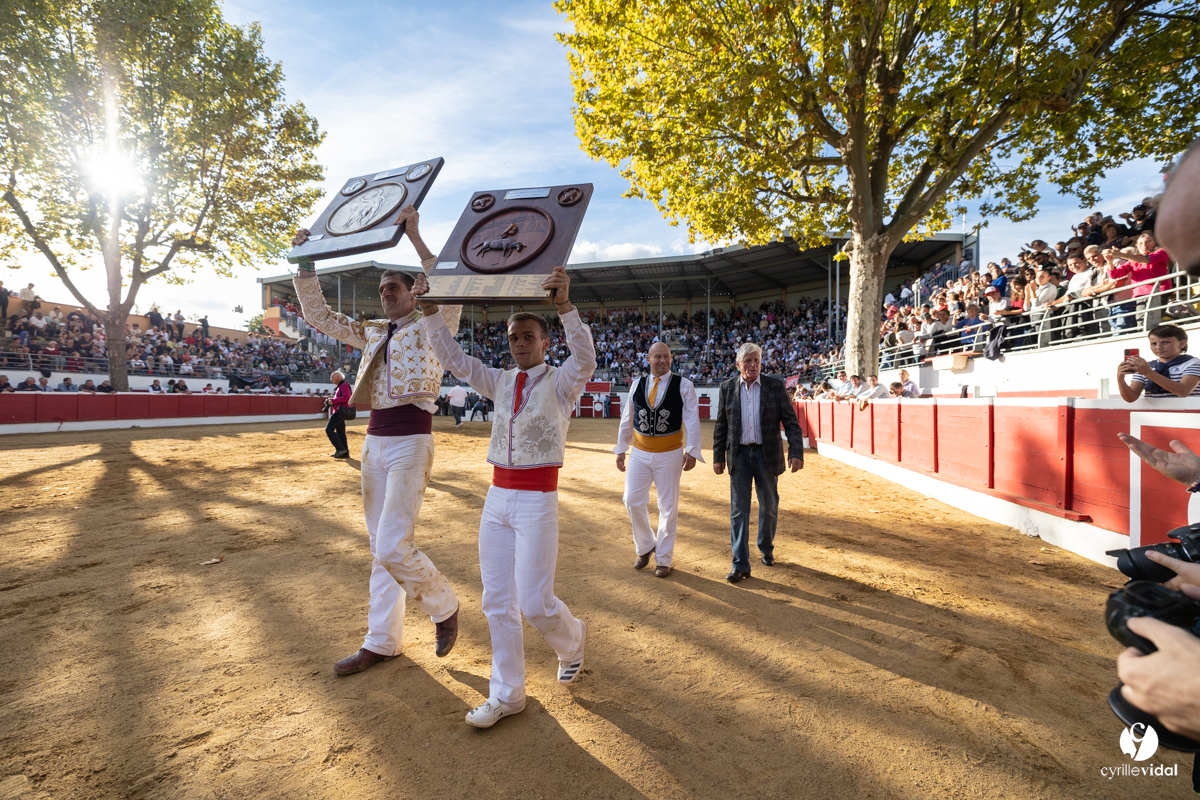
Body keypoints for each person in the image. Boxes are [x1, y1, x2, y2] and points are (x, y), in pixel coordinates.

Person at [420, 265, 594, 729]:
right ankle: (508, 693)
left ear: (545, 342)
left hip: (538, 500)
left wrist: (565, 306)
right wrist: (431, 312)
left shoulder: (561, 382)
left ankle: (572, 639)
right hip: (496, 498)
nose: (519, 344)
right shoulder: (498, 380)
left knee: (534, 603)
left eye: (528, 337)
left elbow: (585, 358)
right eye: (514, 337)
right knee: (497, 601)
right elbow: (454, 358)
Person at [291, 205, 461, 676]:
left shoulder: (434, 323)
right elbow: (319, 315)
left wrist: (416, 237)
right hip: (374, 441)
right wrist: (305, 263)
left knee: (391, 545)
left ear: (413, 293)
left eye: (394, 288)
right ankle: (382, 641)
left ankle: (444, 606)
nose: (386, 294)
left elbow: (447, 286)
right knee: (380, 549)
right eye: (382, 289)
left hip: (412, 440)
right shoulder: (370, 332)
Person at [712, 343, 805, 583]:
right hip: (739, 456)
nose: (753, 365)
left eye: (757, 361)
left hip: (767, 455)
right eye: (748, 361)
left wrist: (796, 451)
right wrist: (718, 457)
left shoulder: (774, 386)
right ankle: (740, 564)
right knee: (738, 510)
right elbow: (721, 425)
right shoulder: (727, 387)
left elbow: (791, 423)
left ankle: (766, 547)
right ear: (738, 365)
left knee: (769, 506)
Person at [613, 342, 703, 578]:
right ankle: (646, 545)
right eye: (658, 357)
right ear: (649, 359)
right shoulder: (637, 384)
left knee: (668, 506)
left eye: (667, 357)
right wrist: (621, 447)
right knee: (631, 500)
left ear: (671, 358)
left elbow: (691, 419)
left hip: (670, 453)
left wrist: (692, 450)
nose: (663, 361)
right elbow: (627, 417)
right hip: (640, 452)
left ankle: (663, 558)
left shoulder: (684, 385)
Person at [1116, 324, 1200, 401]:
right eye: (1154, 343)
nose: (1159, 347)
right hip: (1153, 412)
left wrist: (1148, 372)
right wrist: (1120, 378)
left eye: (1165, 342)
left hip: (1186, 412)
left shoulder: (1193, 363)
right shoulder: (1145, 366)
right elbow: (1131, 398)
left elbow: (1183, 391)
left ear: (1182, 344)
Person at [325, 370, 352, 458]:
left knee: (329, 429)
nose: (331, 379)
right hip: (340, 411)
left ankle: (340, 449)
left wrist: (333, 400)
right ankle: (345, 452)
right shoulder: (341, 386)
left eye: (332, 377)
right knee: (341, 432)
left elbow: (347, 397)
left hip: (339, 411)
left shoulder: (343, 385)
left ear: (338, 377)